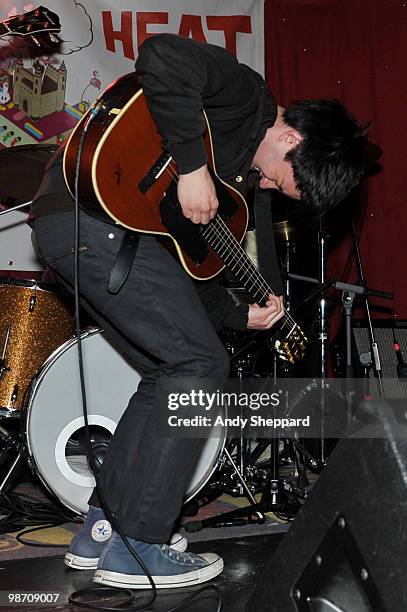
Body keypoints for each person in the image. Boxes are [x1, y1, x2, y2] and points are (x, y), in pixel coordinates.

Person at [29, 34, 367, 590]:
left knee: (173, 369)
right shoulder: (244, 99)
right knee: (199, 368)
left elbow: (187, 276)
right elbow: (161, 55)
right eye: (285, 181)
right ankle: (139, 545)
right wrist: (190, 167)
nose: (273, 190)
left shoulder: (234, 195)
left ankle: (106, 530)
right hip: (90, 215)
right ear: (290, 137)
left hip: (92, 235)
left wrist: (245, 316)